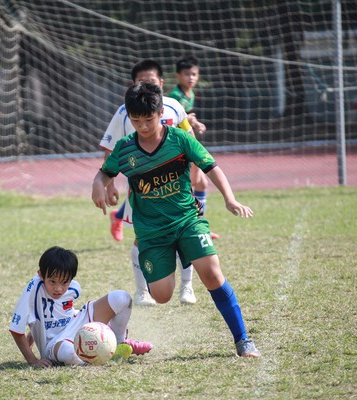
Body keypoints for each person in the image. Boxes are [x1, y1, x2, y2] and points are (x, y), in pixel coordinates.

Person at [92, 83, 261, 358]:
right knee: (162, 295)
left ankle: (243, 340)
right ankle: (174, 260)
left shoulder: (180, 139)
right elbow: (104, 173)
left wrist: (230, 199)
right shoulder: (124, 149)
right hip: (151, 232)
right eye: (136, 120)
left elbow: (212, 167)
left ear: (161, 113)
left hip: (186, 220)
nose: (143, 126)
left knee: (212, 274)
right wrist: (98, 184)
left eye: (148, 119)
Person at [99, 59, 197, 306]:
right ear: (133, 84)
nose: (146, 86)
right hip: (142, 191)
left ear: (161, 83)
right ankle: (142, 291)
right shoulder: (124, 113)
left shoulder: (174, 107)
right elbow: (111, 149)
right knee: (141, 238)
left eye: (151, 82)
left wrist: (196, 171)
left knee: (186, 235)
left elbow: (189, 136)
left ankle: (187, 286)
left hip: (177, 187)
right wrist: (109, 185)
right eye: (141, 82)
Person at [9, 246, 153, 367]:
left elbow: (50, 314)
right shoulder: (32, 290)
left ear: (72, 277)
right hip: (55, 344)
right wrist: (33, 360)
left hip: (77, 322)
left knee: (122, 298)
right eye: (52, 282)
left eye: (65, 282)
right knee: (68, 351)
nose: (58, 288)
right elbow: (16, 330)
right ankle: (97, 361)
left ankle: (119, 343)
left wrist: (34, 334)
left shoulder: (74, 288)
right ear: (41, 275)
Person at [168, 55, 217, 239]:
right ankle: (191, 226)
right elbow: (178, 119)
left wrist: (194, 122)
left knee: (201, 182)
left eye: (194, 74)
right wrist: (191, 121)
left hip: (187, 142)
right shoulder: (174, 96)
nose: (191, 78)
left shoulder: (190, 94)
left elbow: (185, 117)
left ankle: (198, 224)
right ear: (178, 76)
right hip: (178, 147)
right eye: (187, 74)